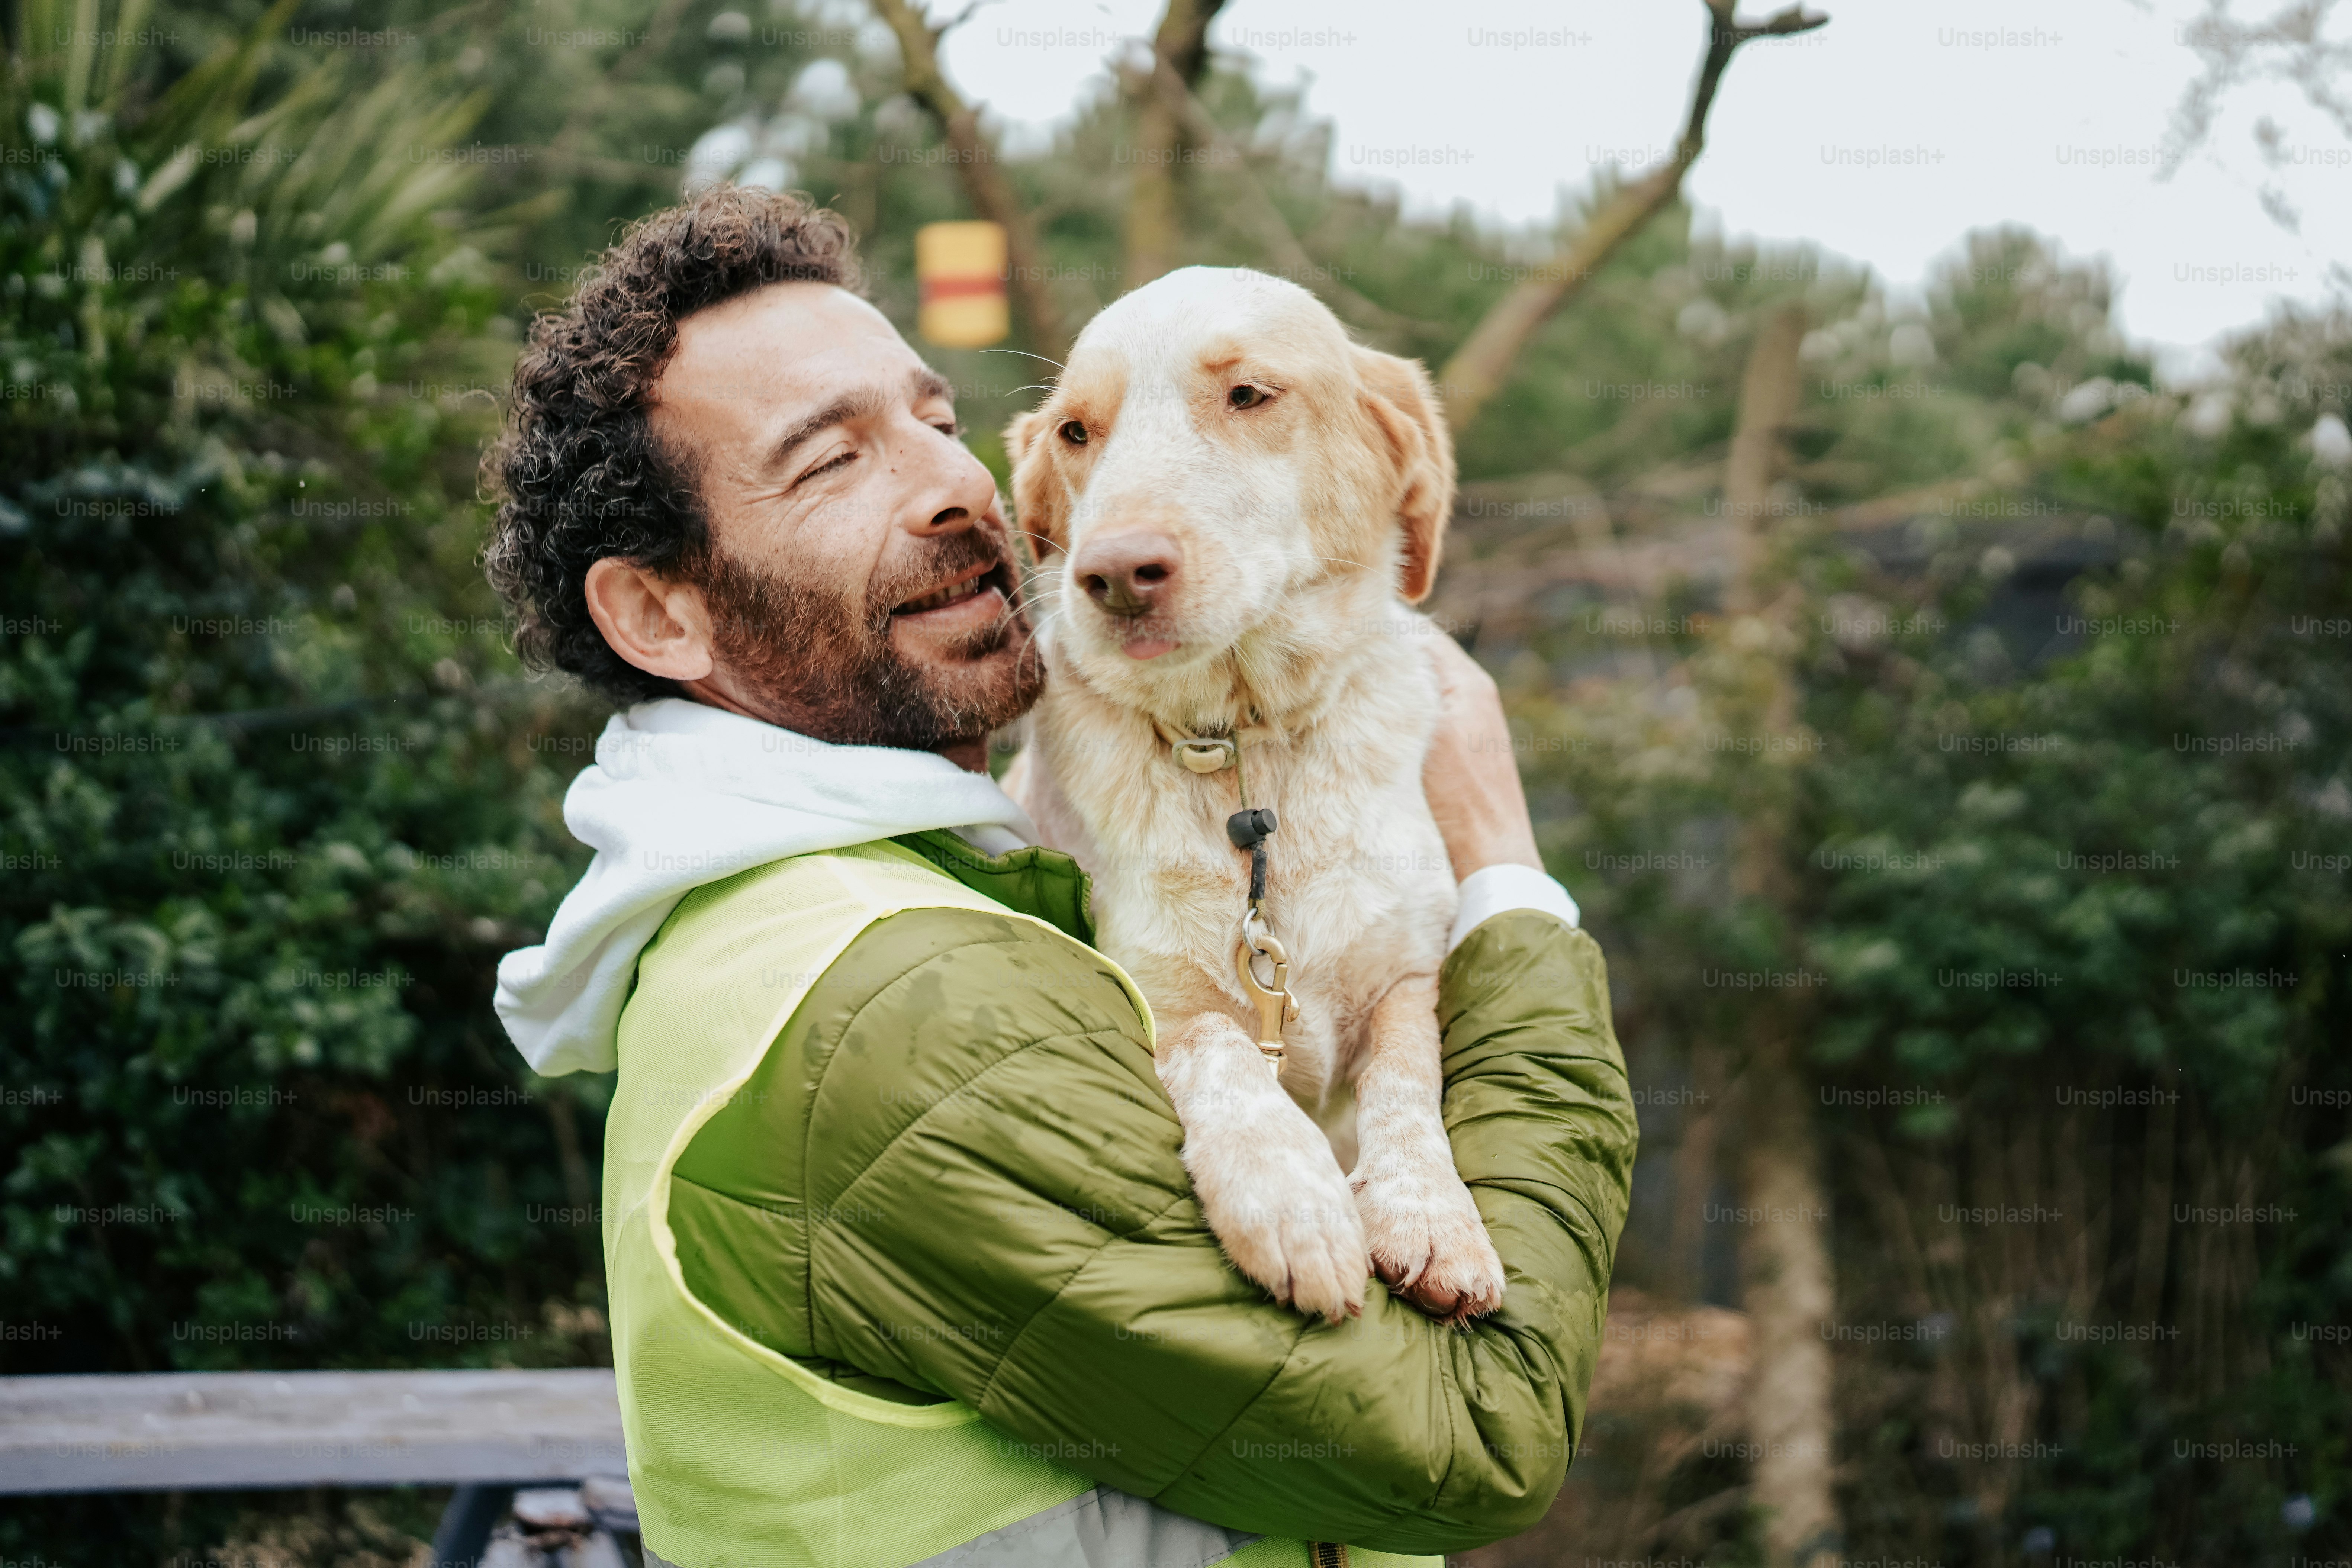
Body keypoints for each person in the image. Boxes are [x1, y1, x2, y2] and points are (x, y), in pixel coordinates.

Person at [484, 185, 1635, 1568]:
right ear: (661, 611)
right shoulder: (904, 1006)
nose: (965, 489)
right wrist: (1506, 877)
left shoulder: (857, 899)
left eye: (937, 419)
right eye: (831, 460)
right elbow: (1473, 1434)